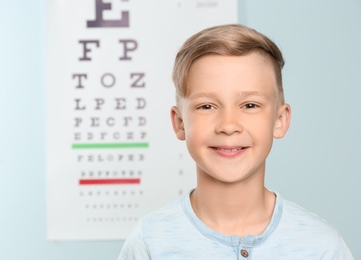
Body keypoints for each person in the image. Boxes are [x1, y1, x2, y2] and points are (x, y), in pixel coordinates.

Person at [118, 24, 354, 259]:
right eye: (206, 106)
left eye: (250, 105)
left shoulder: (322, 247)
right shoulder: (149, 243)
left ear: (279, 120)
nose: (228, 125)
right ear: (180, 123)